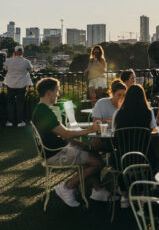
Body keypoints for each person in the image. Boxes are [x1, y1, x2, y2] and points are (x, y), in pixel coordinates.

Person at [32, 77, 109, 207]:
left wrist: (80, 144)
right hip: (56, 154)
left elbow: (61, 135)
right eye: (57, 91)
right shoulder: (44, 112)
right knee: (98, 162)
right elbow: (65, 133)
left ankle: (98, 191)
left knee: (91, 151)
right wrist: (90, 129)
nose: (58, 94)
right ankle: (66, 188)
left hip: (58, 149)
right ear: (49, 92)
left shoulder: (42, 109)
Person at [3, 45, 33, 127]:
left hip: (10, 84)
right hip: (21, 84)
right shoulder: (26, 61)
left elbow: (5, 67)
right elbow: (30, 68)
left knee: (10, 103)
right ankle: (20, 121)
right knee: (20, 103)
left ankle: (10, 121)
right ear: (22, 53)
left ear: (14, 53)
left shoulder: (9, 61)